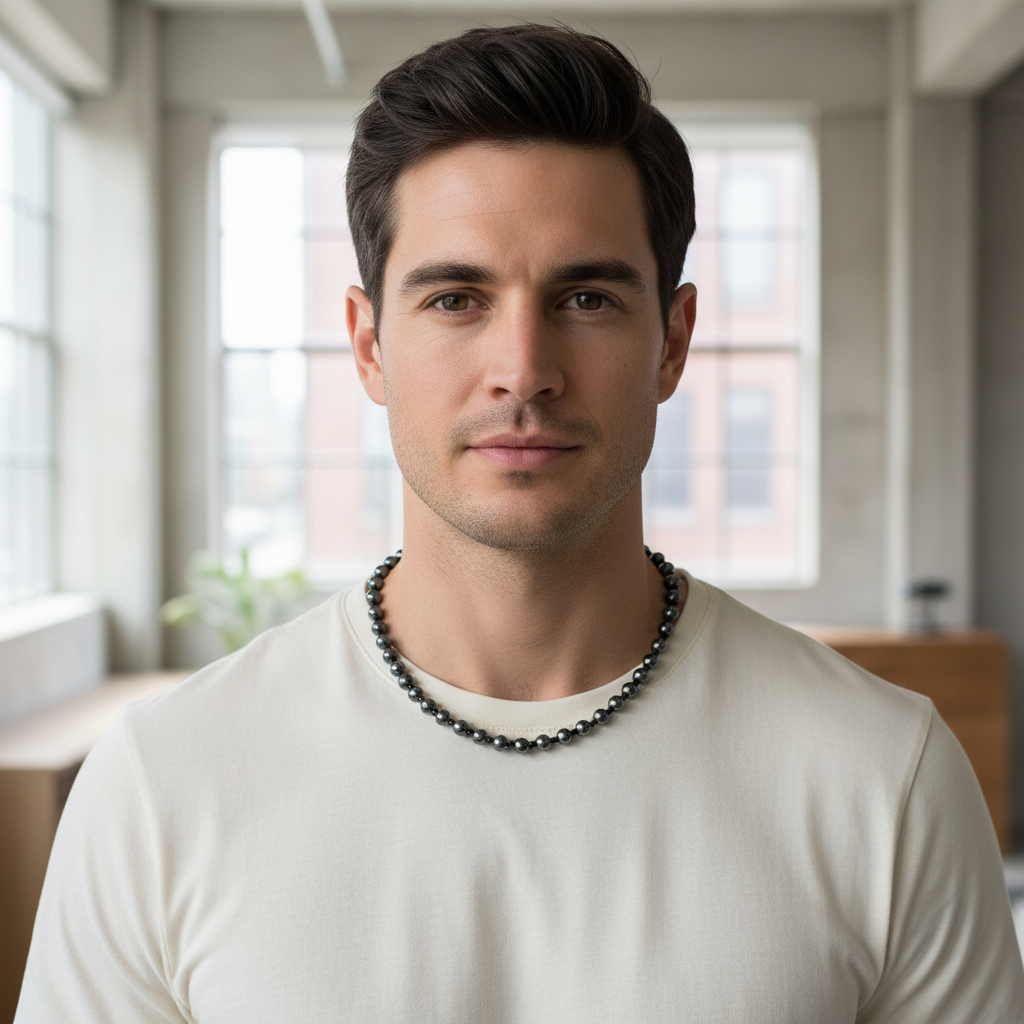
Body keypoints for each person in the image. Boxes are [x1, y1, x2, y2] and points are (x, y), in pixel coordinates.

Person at [15, 24, 1024, 1023]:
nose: (522, 368)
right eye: (456, 298)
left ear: (672, 343)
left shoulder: (882, 776)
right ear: (368, 346)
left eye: (585, 296)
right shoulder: (164, 784)